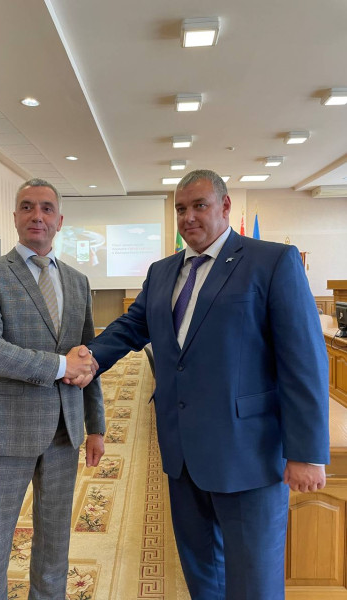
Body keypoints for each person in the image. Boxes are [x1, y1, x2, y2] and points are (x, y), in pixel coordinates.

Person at [85, 170, 329, 600]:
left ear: (225, 206)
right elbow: (131, 327)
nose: (188, 217)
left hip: (248, 456)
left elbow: (304, 362)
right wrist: (87, 358)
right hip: (181, 454)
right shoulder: (162, 272)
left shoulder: (272, 261)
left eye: (200, 205)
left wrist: (306, 452)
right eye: (181, 208)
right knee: (202, 575)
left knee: (254, 582)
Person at [0, 178, 105, 599]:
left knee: (55, 544)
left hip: (65, 432)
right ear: (15, 217)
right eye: (27, 207)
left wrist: (96, 426)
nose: (36, 215)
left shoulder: (78, 281)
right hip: (3, 432)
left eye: (46, 208)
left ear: (60, 220)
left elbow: (87, 357)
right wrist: (60, 366)